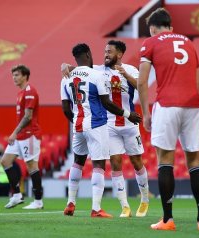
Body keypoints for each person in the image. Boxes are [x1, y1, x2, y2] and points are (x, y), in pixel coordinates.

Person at [137, 8, 199, 231]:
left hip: (167, 104)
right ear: (170, 26)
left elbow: (142, 82)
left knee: (165, 160)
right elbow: (198, 82)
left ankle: (168, 220)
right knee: (195, 161)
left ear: (152, 28)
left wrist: (146, 113)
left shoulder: (151, 42)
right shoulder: (189, 43)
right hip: (192, 105)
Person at [61, 40, 149, 218]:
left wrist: (125, 74)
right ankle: (124, 206)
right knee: (115, 163)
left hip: (130, 124)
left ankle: (145, 200)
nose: (106, 54)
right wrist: (65, 65)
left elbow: (141, 85)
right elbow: (78, 69)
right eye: (105, 51)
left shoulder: (131, 69)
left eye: (110, 52)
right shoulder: (98, 70)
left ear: (120, 54)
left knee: (137, 162)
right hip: (109, 124)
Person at [1, 64, 43, 210]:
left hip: (30, 134)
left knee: (31, 165)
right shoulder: (20, 93)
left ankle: (38, 201)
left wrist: (14, 132)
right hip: (20, 135)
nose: (14, 77)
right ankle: (17, 195)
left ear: (25, 76)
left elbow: (28, 116)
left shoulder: (29, 91)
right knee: (5, 161)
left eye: (17, 75)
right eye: (13, 75)